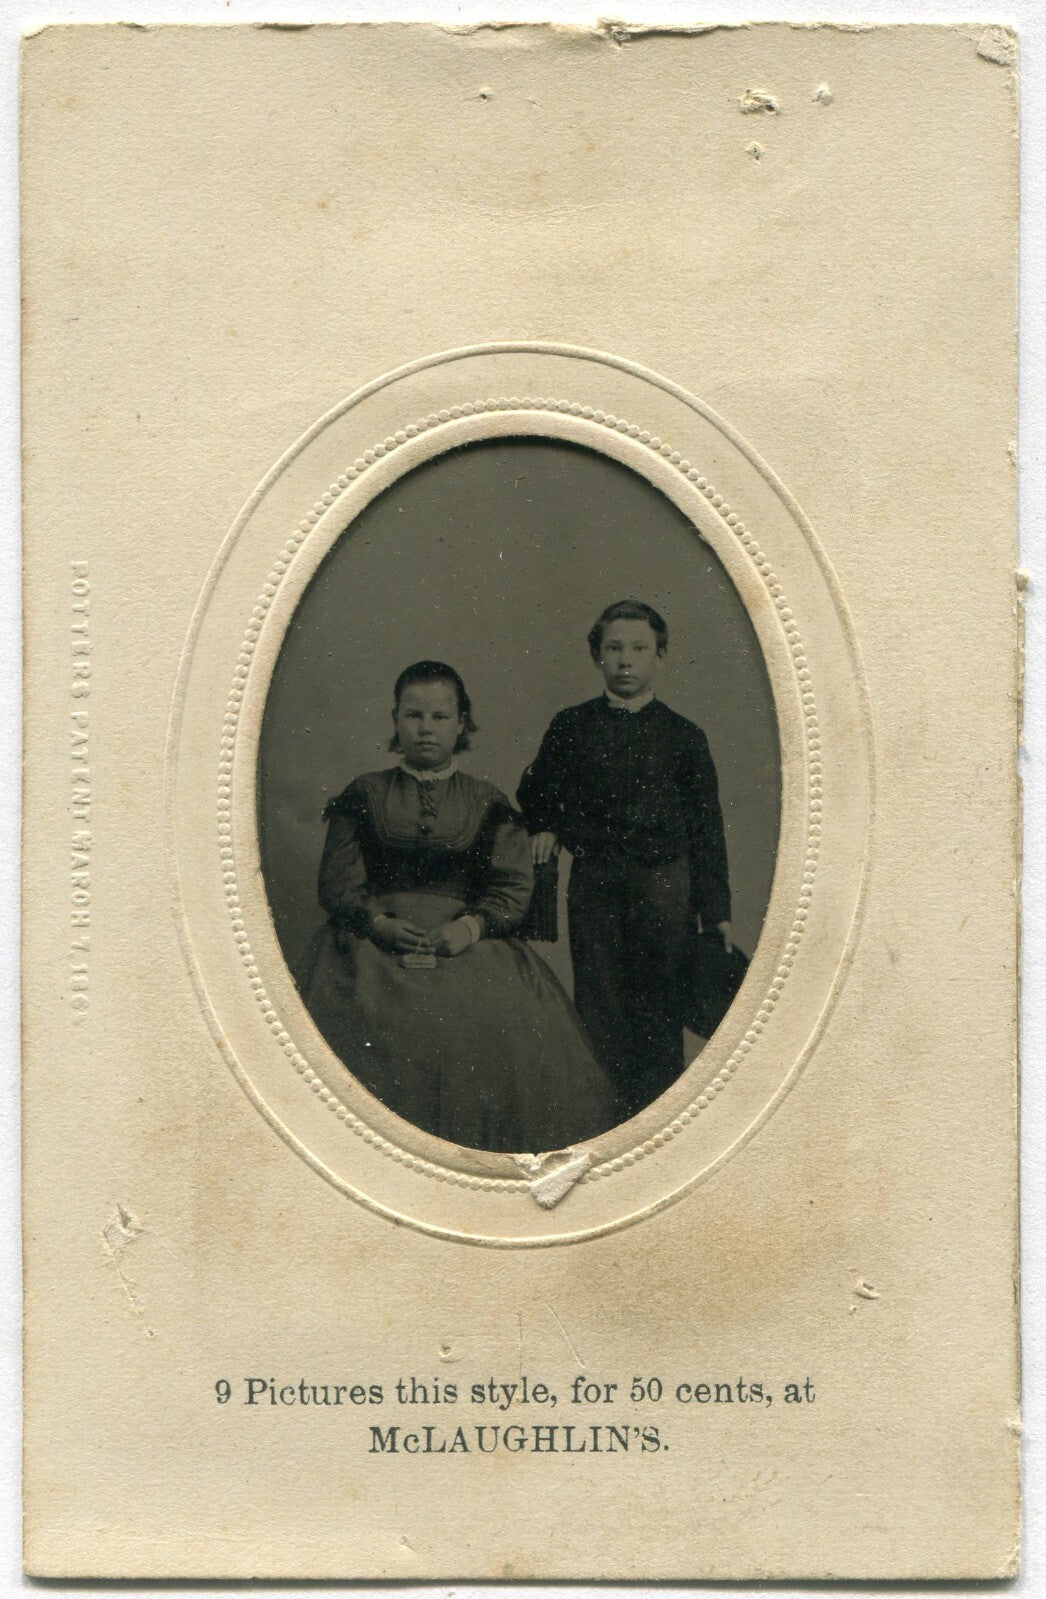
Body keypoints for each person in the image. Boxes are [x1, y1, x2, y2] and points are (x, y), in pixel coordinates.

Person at [296, 660, 620, 1153]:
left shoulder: (487, 801)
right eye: (414, 716)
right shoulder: (364, 793)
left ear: (462, 723)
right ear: (396, 720)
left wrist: (468, 929)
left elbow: (512, 889)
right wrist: (378, 924)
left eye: (440, 717)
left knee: (488, 1028)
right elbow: (338, 884)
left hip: (468, 945)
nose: (426, 728)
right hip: (372, 945)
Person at [517, 600, 732, 1117]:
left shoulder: (685, 737)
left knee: (660, 1010)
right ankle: (605, 1124)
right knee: (599, 1006)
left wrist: (716, 911)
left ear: (660, 655)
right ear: (597, 654)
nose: (626, 660)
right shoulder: (571, 726)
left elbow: (707, 831)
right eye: (614, 648)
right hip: (597, 886)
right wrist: (547, 825)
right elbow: (536, 790)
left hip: (666, 891)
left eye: (639, 648)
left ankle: (657, 1127)